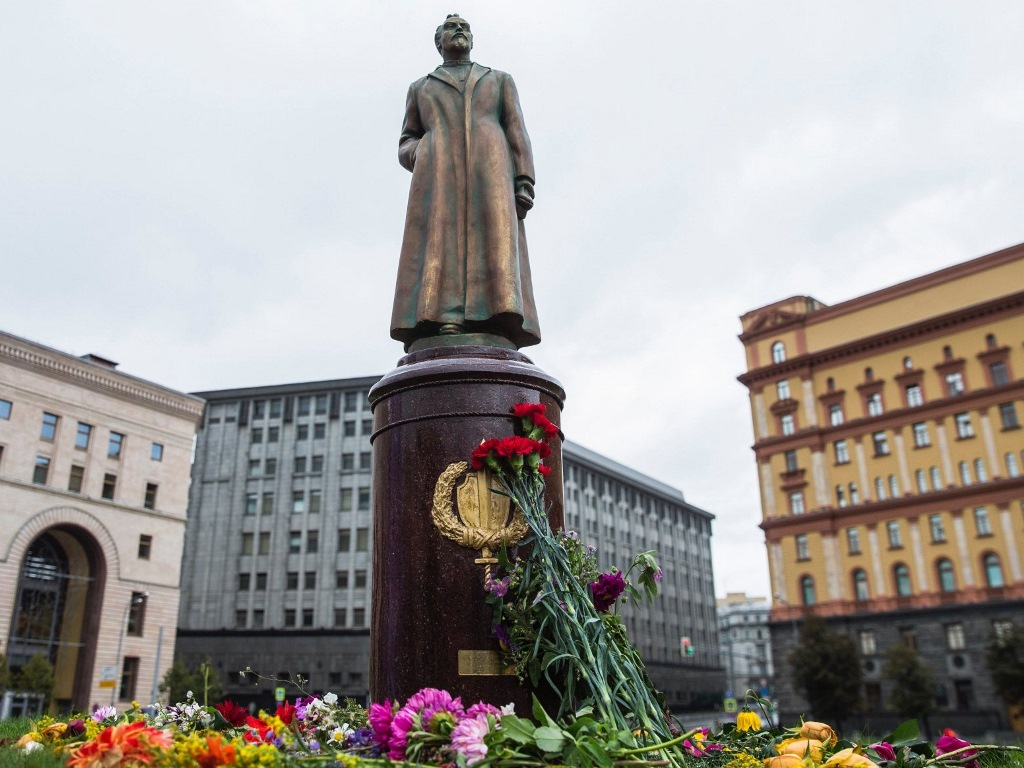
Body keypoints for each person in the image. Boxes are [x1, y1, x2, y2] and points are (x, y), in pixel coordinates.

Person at [390, 14, 541, 351]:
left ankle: (496, 317)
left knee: (493, 240)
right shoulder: (421, 88)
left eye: (465, 28)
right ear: (439, 42)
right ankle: (444, 317)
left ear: (472, 41)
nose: (459, 30)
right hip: (439, 179)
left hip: (492, 176)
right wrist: (425, 152)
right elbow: (405, 141)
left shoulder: (498, 80)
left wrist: (524, 180)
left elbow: (517, 131)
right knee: (441, 242)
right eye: (451, 28)